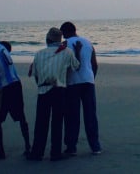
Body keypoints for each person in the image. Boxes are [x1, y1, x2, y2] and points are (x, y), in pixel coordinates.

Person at [27, 27, 80, 162]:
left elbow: (36, 74)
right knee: (57, 123)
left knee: (41, 123)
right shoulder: (67, 52)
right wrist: (78, 52)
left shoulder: (39, 54)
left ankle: (37, 152)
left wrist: (40, 86)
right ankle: (55, 153)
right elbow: (76, 66)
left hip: (43, 90)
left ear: (47, 40)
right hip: (59, 90)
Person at [0, 40, 31, 159]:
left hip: (2, 87)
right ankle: (28, 147)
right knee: (22, 117)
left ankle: (1, 152)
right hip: (16, 83)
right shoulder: (0, 48)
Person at [60, 22, 102, 156]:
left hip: (72, 83)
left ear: (65, 32)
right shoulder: (88, 43)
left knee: (72, 115)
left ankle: (71, 147)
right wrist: (91, 78)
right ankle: (95, 146)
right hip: (88, 81)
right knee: (90, 114)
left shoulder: (65, 45)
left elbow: (63, 65)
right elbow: (94, 64)